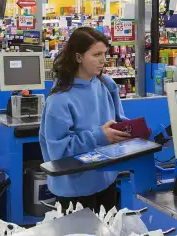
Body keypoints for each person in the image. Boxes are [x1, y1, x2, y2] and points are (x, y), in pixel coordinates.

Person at [39, 27, 131, 211]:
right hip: (75, 191)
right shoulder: (59, 100)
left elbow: (119, 120)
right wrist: (99, 136)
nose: (103, 60)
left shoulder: (106, 83)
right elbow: (60, 154)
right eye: (96, 54)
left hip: (107, 180)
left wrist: (132, 131)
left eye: (105, 53)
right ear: (78, 57)